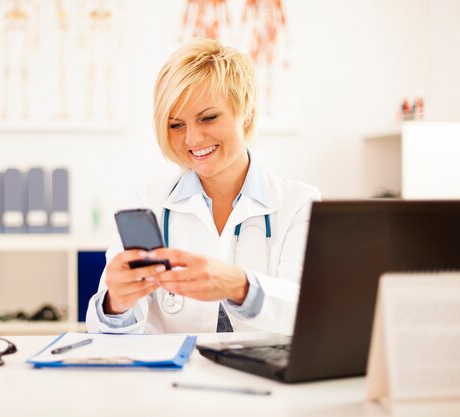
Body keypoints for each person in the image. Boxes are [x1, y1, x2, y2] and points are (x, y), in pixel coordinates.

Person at [86, 38, 320, 335]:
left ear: (245, 111)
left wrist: (238, 286)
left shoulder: (299, 202)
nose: (192, 139)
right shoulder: (150, 200)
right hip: (172, 378)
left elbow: (308, 311)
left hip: (262, 377)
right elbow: (106, 331)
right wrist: (115, 304)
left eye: (208, 118)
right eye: (176, 125)